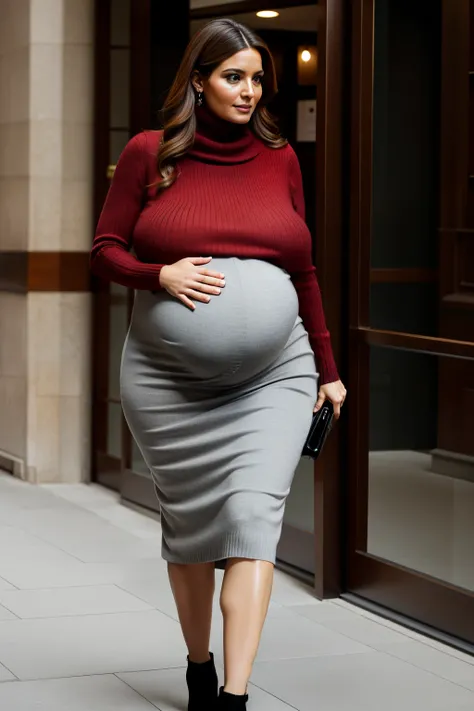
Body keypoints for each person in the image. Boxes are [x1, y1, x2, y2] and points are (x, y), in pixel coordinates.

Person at [91, 17, 346, 711]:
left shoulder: (281, 158)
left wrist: (327, 367)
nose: (250, 91)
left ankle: (232, 696)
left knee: (251, 519)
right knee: (194, 528)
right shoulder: (151, 153)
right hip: (167, 382)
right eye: (234, 76)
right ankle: (199, 665)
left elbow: (305, 270)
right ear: (199, 81)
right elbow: (106, 247)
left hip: (273, 376)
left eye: (258, 79)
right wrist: (161, 277)